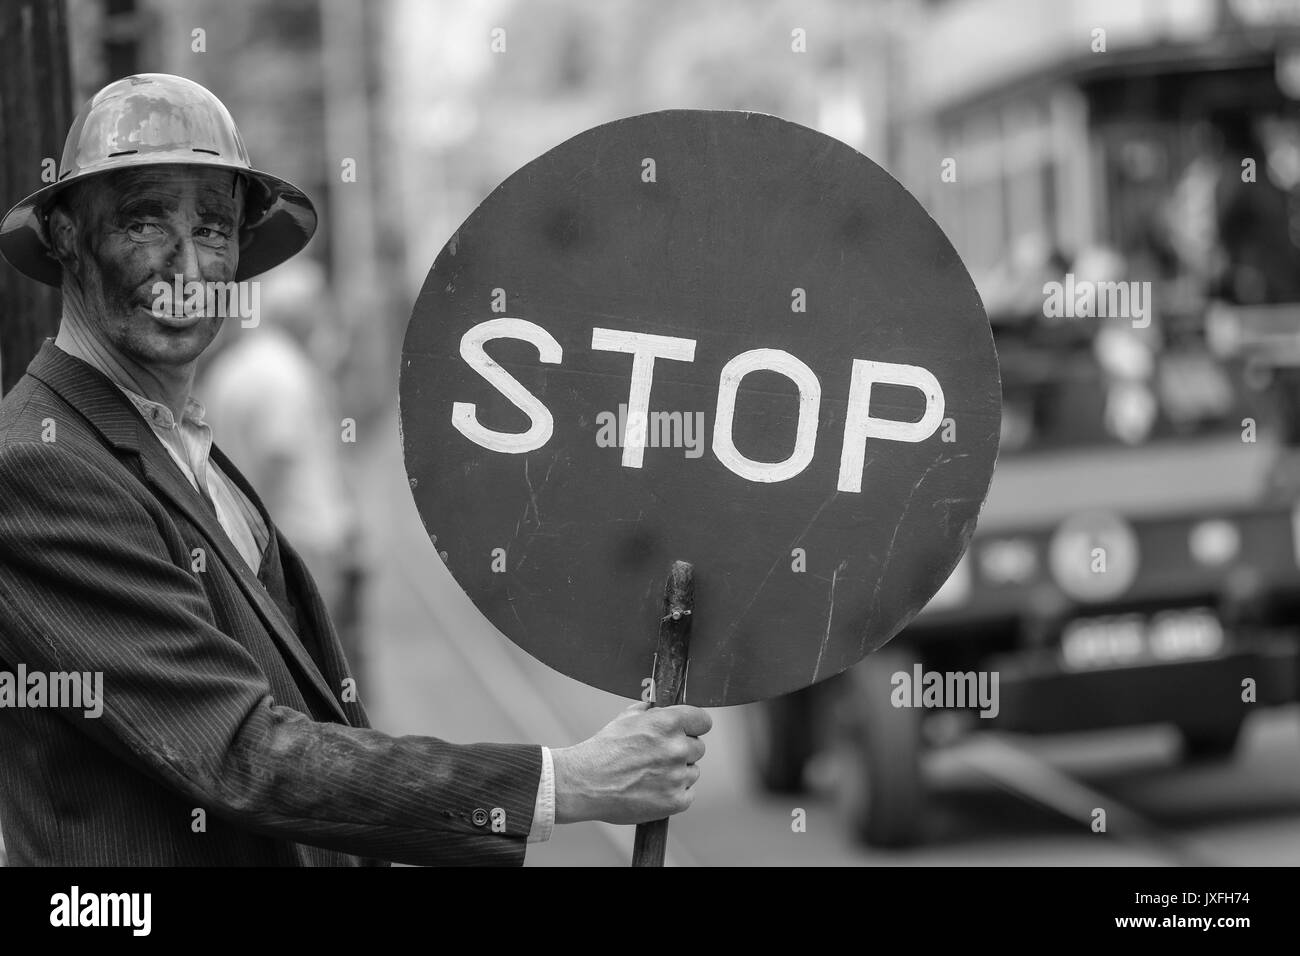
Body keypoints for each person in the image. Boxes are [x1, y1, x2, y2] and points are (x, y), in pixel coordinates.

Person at [0, 73, 709, 866]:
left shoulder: (179, 446)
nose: (187, 267)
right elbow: (243, 754)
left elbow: (307, 739)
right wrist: (568, 783)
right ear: (63, 235)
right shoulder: (39, 470)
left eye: (212, 228)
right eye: (142, 222)